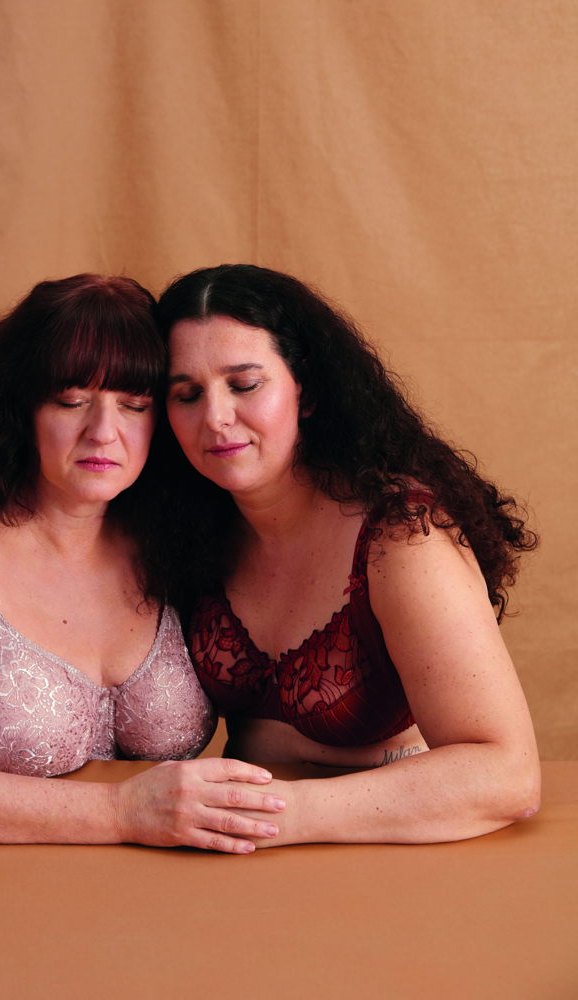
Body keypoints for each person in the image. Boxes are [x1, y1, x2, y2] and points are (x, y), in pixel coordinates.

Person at [0, 274, 287, 853]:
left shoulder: (185, 541)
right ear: (18, 408)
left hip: (165, 895)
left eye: (134, 405)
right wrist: (122, 813)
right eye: (71, 401)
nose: (103, 433)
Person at [156, 263, 540, 845]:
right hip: (241, 856)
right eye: (187, 394)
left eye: (245, 385)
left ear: (306, 391)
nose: (215, 418)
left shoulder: (400, 533)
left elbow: (507, 775)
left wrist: (273, 814)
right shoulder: (184, 528)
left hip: (391, 854)